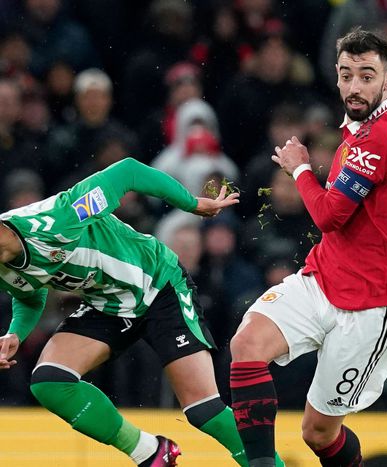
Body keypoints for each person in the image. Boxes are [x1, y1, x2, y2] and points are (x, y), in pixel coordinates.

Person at [228, 29, 387, 467]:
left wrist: (300, 169)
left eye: (367, 75)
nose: (354, 86)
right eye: (347, 75)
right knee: (247, 345)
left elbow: (329, 216)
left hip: (370, 307)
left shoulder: (378, 139)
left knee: (318, 432)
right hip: (322, 279)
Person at [0, 158, 284, 467]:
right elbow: (29, 293)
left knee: (203, 410)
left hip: (159, 286)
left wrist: (191, 204)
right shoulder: (4, 263)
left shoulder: (59, 218)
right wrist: (16, 332)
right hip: (107, 304)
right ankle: (150, 452)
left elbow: (128, 172)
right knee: (50, 382)